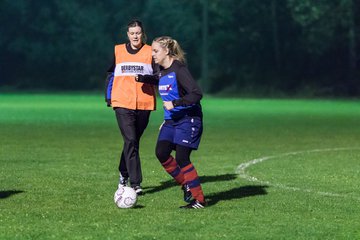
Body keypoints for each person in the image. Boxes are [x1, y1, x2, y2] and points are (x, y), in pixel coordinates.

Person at [136, 36, 206, 209]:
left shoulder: (179, 69)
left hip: (188, 119)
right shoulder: (162, 69)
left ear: (166, 51)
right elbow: (158, 77)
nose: (152, 54)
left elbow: (196, 94)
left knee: (182, 157)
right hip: (171, 121)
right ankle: (186, 185)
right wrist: (142, 78)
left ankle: (199, 200)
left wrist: (175, 103)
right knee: (161, 152)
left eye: (155, 51)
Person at [105, 20, 157, 195]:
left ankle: (122, 172)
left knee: (133, 142)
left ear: (143, 34)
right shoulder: (118, 50)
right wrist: (108, 97)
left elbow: (159, 77)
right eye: (132, 33)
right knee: (131, 141)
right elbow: (111, 74)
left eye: (138, 33)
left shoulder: (151, 52)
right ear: (127, 34)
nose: (135, 36)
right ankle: (135, 183)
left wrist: (145, 78)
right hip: (122, 102)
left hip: (144, 103)